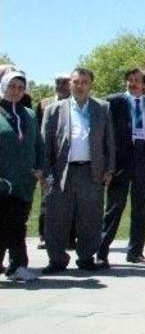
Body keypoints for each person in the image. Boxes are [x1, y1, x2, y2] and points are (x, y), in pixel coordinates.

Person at [42, 67, 115, 274]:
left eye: (84, 82)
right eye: (76, 82)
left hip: (91, 171)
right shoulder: (54, 110)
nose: (80, 86)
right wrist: (46, 172)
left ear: (91, 84)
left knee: (90, 217)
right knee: (56, 217)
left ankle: (86, 257)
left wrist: (109, 169)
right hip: (61, 173)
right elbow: (45, 145)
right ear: (69, 84)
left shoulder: (102, 108)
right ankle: (57, 259)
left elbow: (109, 141)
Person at [99, 68, 145, 265]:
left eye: (137, 80)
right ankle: (101, 252)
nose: (133, 83)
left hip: (143, 160)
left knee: (141, 209)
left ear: (143, 83)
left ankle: (135, 252)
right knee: (114, 208)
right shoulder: (113, 102)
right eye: (130, 80)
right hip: (121, 162)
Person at [0, 70, 45, 282]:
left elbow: (39, 145)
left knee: (17, 225)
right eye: (12, 86)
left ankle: (18, 266)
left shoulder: (29, 114)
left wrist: (40, 168)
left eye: (20, 87)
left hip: (23, 181)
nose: (16, 91)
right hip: (2, 181)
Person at [34, 74, 72, 250]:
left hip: (70, 159)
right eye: (58, 83)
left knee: (71, 200)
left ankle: (71, 237)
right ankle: (44, 235)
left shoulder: (76, 103)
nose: (61, 86)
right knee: (47, 198)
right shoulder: (43, 103)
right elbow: (37, 132)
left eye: (65, 82)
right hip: (49, 159)